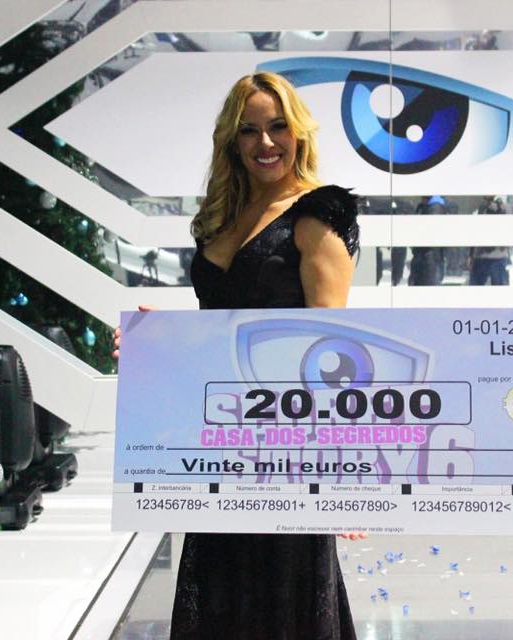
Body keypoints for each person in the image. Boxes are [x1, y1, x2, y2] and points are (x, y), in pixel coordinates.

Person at [114, 71, 362, 639]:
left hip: (286, 448)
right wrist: (162, 342)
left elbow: (332, 354)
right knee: (220, 596)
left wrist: (340, 479)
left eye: (278, 127)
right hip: (219, 441)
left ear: (299, 132)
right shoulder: (221, 216)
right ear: (231, 139)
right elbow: (218, 329)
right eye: (249, 130)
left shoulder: (318, 215)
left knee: (283, 605)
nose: (265, 143)